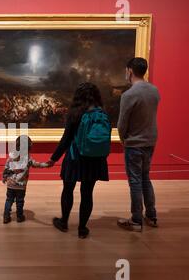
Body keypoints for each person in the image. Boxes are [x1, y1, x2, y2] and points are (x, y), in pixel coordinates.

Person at [48, 82, 110, 239]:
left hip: (76, 158)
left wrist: (53, 158)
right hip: (96, 159)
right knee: (87, 194)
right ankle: (82, 229)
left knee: (68, 190)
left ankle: (64, 222)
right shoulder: (102, 113)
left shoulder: (75, 113)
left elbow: (66, 140)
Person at [117, 57, 160, 231]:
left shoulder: (129, 94)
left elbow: (122, 123)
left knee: (135, 181)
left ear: (130, 71)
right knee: (145, 178)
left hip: (134, 143)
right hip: (150, 140)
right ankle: (151, 216)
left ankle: (136, 220)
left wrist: (123, 139)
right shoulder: (154, 90)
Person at [2, 135, 49, 224]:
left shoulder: (11, 157)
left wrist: (4, 177)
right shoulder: (28, 159)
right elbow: (36, 164)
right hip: (21, 186)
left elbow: (6, 168)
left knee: (9, 200)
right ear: (29, 147)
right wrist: (46, 165)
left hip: (11, 185)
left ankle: (6, 216)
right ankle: (20, 217)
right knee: (20, 201)